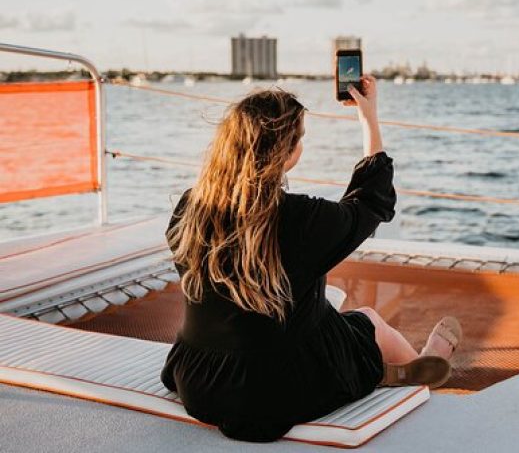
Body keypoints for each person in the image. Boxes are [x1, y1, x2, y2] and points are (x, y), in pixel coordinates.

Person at [160, 75, 462, 442]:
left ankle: (382, 369)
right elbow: (373, 200)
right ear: (285, 153)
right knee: (366, 320)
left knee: (315, 314)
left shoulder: (189, 209)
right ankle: (418, 364)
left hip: (199, 380)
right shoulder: (301, 219)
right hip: (276, 391)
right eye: (300, 138)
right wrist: (369, 117)